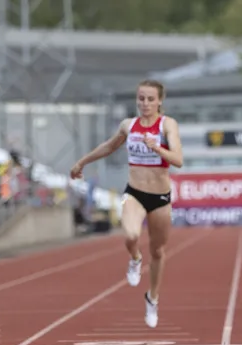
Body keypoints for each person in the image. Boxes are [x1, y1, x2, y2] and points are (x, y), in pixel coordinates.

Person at [70, 79, 183, 329]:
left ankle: (152, 297)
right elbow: (109, 147)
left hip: (161, 197)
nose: (145, 103)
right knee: (131, 235)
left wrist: (158, 148)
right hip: (134, 192)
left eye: (150, 99)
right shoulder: (128, 125)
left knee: (158, 252)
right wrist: (82, 162)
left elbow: (178, 160)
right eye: (141, 98)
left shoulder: (167, 125)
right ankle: (134, 258)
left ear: (160, 101)